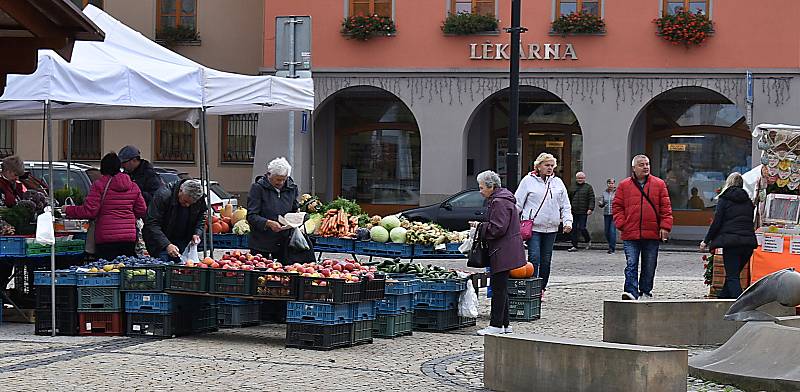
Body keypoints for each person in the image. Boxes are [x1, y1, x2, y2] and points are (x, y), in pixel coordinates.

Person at [64, 153, 147, 261]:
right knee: (125, 270)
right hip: (129, 237)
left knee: (107, 270)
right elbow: (142, 210)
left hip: (106, 238)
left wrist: (68, 209)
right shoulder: (133, 186)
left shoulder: (99, 185)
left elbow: (89, 211)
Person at [613, 154, 673, 301]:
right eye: (641, 164)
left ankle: (645, 290)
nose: (645, 167)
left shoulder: (659, 184)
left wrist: (665, 227)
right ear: (634, 168)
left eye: (647, 164)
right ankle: (631, 292)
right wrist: (622, 224)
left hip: (651, 232)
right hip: (630, 232)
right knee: (631, 263)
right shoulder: (624, 185)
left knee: (649, 264)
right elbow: (617, 206)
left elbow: (666, 208)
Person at [514, 153, 573, 299]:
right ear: (538, 166)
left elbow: (565, 205)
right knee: (534, 257)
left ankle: (542, 288)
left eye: (552, 165)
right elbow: (518, 203)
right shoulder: (528, 181)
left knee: (546, 259)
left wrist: (567, 221)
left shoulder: (558, 183)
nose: (550, 168)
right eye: (547, 165)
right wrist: (511, 221)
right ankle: (532, 287)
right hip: (533, 227)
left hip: (551, 227)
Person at [474, 170, 526, 336]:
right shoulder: (502, 199)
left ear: (491, 186)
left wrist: (480, 227)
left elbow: (498, 228)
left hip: (502, 249)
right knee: (501, 287)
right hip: (507, 248)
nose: (480, 190)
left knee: (498, 287)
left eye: (482, 187)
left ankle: (496, 324)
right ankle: (504, 324)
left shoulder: (499, 202)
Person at [700, 173, 757, 299]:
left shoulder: (724, 200)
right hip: (748, 244)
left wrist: (706, 240)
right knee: (733, 275)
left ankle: (741, 306)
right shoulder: (748, 201)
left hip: (731, 243)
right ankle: (722, 300)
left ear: (728, 183)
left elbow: (717, 222)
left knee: (732, 277)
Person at [247, 157, 314, 263]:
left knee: (283, 274)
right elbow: (251, 216)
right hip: (261, 242)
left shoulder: (291, 188)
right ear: (269, 175)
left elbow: (294, 208)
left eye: (284, 179)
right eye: (278, 179)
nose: (281, 182)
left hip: (284, 242)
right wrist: (268, 223)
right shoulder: (258, 188)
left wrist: (297, 217)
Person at [143, 179, 207, 260]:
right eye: (185, 201)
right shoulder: (163, 195)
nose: (187, 205)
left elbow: (202, 216)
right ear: (180, 191)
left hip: (183, 240)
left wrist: (197, 233)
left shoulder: (198, 198)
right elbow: (152, 223)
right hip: (160, 241)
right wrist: (167, 244)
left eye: (191, 203)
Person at [0, 156, 26, 291]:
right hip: (3, 234)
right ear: (8, 171)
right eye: (15, 174)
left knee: (7, 267)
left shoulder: (16, 185)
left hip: (10, 234)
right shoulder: (1, 185)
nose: (17, 177)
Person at [568, 171, 595, 252]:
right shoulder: (572, 187)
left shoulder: (588, 187)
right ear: (576, 179)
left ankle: (587, 240)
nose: (580, 179)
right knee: (574, 229)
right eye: (579, 178)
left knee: (582, 227)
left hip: (584, 211)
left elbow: (591, 199)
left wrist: (590, 208)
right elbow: (568, 198)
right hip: (574, 211)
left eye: (582, 178)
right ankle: (574, 245)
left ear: (584, 179)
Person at [597, 178, 617, 254]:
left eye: (612, 183)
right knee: (606, 231)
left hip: (614, 214)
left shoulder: (617, 192)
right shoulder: (604, 193)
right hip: (606, 214)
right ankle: (610, 244)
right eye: (609, 183)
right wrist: (600, 203)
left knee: (612, 231)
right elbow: (602, 203)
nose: (610, 185)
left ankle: (612, 248)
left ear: (614, 184)